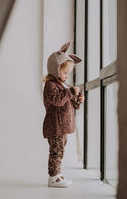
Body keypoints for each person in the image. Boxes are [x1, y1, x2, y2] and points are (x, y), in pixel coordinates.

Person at [42, 40, 85, 188]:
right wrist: (71, 92)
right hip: (55, 126)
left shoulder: (61, 86)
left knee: (60, 150)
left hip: (61, 127)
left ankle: (58, 173)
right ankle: (53, 177)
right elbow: (57, 100)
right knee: (56, 151)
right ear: (55, 68)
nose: (67, 76)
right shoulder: (50, 86)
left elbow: (69, 103)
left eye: (69, 73)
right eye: (65, 72)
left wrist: (77, 100)